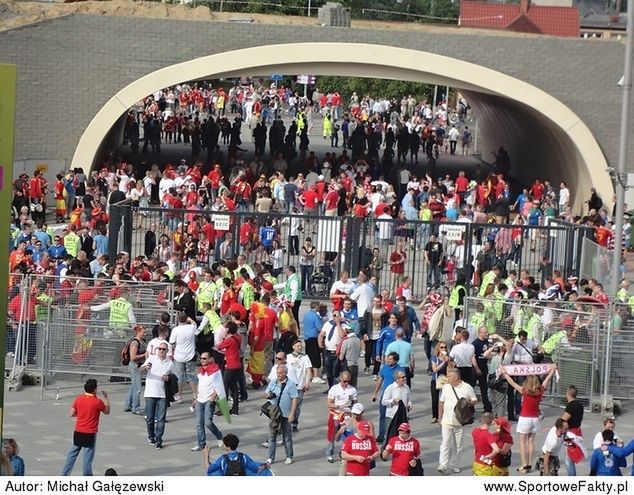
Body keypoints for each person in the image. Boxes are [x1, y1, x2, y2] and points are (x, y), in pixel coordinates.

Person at [501, 365, 557, 473]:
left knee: (522, 442)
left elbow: (512, 383)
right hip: (535, 418)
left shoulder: (524, 390)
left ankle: (524, 464)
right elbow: (546, 380)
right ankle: (530, 463)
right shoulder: (540, 390)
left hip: (524, 418)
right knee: (531, 441)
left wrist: (505, 374)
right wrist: (551, 371)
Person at [61, 379, 110, 475]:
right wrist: (106, 398)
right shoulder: (97, 402)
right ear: (94, 389)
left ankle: (64, 475)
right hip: (90, 433)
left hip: (78, 431)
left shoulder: (79, 398)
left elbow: (72, 413)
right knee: (87, 459)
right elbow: (107, 411)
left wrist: (81, 415)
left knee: (72, 454)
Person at [437, 368, 477, 474]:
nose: (448, 378)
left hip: (460, 421)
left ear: (456, 377)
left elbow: (474, 399)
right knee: (445, 443)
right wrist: (440, 418)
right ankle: (443, 464)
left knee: (459, 446)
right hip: (446, 420)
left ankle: (454, 464)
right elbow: (441, 402)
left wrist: (470, 403)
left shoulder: (467, 387)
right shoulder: (446, 387)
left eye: (450, 377)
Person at [141, 342, 174, 449]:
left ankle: (159, 439)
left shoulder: (170, 363)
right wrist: (145, 368)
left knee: (161, 419)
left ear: (167, 351)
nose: (161, 351)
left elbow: (174, 377)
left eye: (164, 349)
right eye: (159, 349)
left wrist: (168, 378)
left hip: (162, 394)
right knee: (150, 418)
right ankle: (151, 436)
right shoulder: (151, 359)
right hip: (150, 393)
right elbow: (140, 369)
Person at [264, 364, 298, 465]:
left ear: (285, 373)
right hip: (274, 415)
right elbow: (266, 393)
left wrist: (292, 414)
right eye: (277, 373)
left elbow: (295, 399)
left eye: (280, 373)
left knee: (287, 437)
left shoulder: (291, 384)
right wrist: (268, 395)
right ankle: (270, 457)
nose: (278, 375)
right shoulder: (273, 382)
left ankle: (289, 456)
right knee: (272, 436)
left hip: (285, 415)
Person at [190, 352, 224, 452]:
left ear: (210, 359)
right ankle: (201, 444)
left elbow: (219, 385)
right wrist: (195, 397)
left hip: (209, 399)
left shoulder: (215, 370)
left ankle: (219, 436)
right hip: (200, 399)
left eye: (204, 358)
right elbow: (199, 384)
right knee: (199, 423)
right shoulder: (200, 371)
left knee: (208, 422)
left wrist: (213, 396)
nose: (202, 360)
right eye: (201, 358)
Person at [371, 352, 405, 444]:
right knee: (382, 416)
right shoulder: (384, 367)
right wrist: (375, 393)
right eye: (387, 359)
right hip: (385, 395)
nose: (388, 361)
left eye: (390, 359)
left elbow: (403, 383)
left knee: (394, 417)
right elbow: (380, 379)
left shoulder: (400, 370)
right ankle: (381, 436)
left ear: (396, 360)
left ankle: (394, 436)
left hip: (395, 396)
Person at [326, 371, 358, 463]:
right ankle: (329, 454)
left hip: (347, 415)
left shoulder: (352, 390)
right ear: (340, 379)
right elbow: (329, 403)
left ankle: (346, 453)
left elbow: (356, 403)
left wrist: (355, 410)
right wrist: (339, 406)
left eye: (348, 381)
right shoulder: (334, 389)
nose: (346, 383)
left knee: (348, 435)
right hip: (336, 414)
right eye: (344, 381)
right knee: (331, 435)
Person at [169, 311, 200, 404]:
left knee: (180, 376)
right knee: (191, 375)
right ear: (186, 319)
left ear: (178, 320)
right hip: (190, 355)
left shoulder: (176, 330)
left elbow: (171, 343)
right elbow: (194, 323)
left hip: (179, 355)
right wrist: (189, 318)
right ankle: (195, 394)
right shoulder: (191, 328)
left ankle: (179, 395)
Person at [286, 339, 313, 432]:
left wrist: (307, 382)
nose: (300, 347)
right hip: (289, 386)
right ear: (293, 347)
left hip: (300, 386)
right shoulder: (288, 357)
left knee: (297, 407)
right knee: (288, 406)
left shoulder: (305, 357)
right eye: (298, 346)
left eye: (301, 346)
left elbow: (309, 371)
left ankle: (294, 423)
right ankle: (287, 423)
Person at [561, 384, 585, 476]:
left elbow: (564, 419)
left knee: (569, 457)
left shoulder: (571, 406)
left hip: (571, 433)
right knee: (572, 455)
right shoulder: (580, 405)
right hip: (577, 431)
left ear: (568, 393)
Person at [123, 324, 147, 415]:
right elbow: (133, 357)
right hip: (135, 366)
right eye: (143, 332)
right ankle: (136, 408)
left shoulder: (142, 341)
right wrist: (143, 355)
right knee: (137, 388)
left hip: (138, 365)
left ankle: (128, 405)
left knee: (133, 386)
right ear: (138, 332)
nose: (145, 334)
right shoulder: (135, 342)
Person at [430, 341, 450, 423]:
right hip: (436, 380)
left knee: (444, 400)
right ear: (438, 348)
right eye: (441, 347)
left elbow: (453, 367)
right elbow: (434, 369)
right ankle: (435, 415)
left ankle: (443, 415)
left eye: (445, 347)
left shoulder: (448, 357)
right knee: (435, 399)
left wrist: (448, 361)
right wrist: (443, 363)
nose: (443, 349)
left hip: (445, 380)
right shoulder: (435, 357)